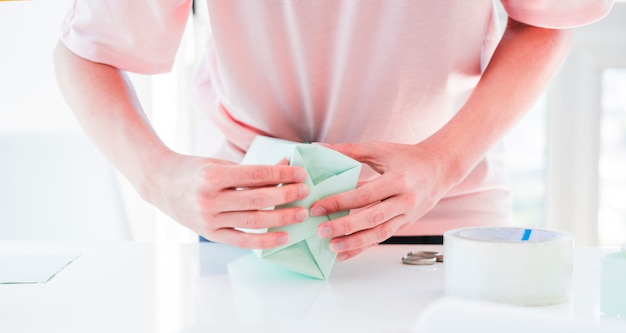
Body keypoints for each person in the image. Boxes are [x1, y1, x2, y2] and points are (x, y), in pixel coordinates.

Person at [54, 1, 613, 261]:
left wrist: (443, 161)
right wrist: (160, 178)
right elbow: (87, 51)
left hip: (445, 218)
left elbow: (545, 18)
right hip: (254, 228)